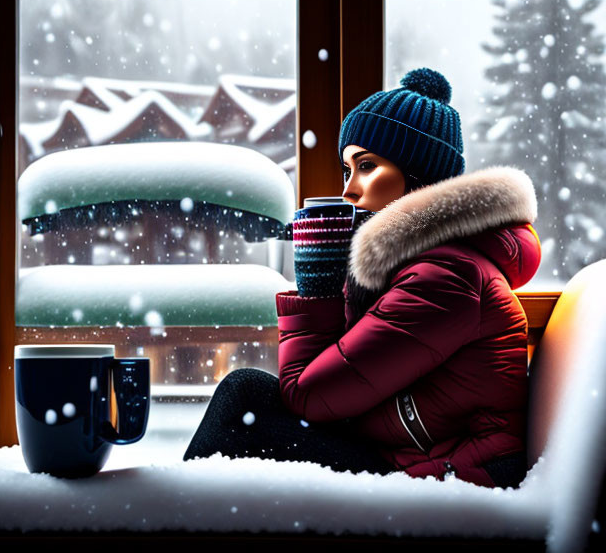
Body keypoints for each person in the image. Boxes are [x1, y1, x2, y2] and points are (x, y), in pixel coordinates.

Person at [183, 67, 541, 488]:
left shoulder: (447, 276)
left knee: (245, 396)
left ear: (419, 176)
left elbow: (306, 395)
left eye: (367, 166)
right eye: (346, 170)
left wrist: (317, 288)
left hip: (452, 478)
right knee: (249, 401)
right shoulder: (429, 263)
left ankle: (173, 527)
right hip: (410, 457)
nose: (349, 189)